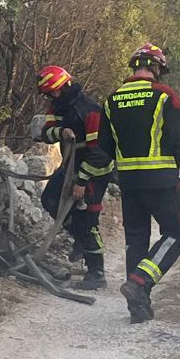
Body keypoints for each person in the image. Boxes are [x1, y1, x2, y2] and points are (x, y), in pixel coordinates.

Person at [103, 42, 180, 323]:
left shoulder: (112, 99)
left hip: (129, 183)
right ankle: (140, 282)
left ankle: (138, 307)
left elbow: (104, 147)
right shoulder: (164, 95)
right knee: (175, 233)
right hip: (160, 180)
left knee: (135, 240)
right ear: (157, 68)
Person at [34, 65, 112, 289]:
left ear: (64, 86)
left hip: (94, 171)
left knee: (87, 221)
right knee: (50, 200)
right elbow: (46, 132)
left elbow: (100, 151)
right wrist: (61, 132)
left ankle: (97, 273)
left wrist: (82, 181)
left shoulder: (90, 110)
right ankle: (78, 238)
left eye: (52, 92)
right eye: (47, 94)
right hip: (70, 166)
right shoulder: (58, 106)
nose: (50, 98)